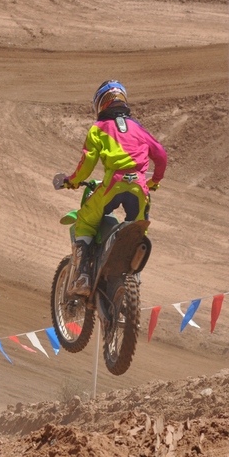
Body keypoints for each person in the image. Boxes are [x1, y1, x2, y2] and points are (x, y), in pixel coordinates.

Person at [62, 80, 167, 297]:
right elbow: (161, 155)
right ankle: (133, 280)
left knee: (85, 220)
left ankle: (82, 277)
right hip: (139, 187)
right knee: (138, 231)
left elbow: (87, 164)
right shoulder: (138, 128)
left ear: (100, 103)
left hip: (113, 184)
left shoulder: (98, 128)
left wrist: (72, 180)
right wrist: (154, 181)